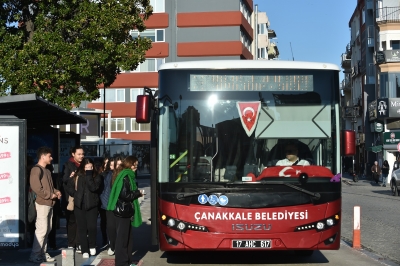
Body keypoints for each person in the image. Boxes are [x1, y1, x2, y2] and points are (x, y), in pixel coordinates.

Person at [107, 156, 143, 266]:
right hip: (123, 211)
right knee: (122, 238)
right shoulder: (125, 176)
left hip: (125, 211)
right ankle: (122, 262)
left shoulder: (125, 175)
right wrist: (138, 193)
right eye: (134, 164)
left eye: (137, 165)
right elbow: (125, 195)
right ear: (129, 164)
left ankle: (126, 260)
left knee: (127, 237)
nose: (136, 167)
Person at [29, 147, 62, 263]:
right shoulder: (36, 170)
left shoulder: (47, 170)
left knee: (47, 229)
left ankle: (42, 253)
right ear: (43, 156)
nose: (51, 158)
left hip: (49, 203)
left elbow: (50, 187)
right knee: (42, 230)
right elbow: (36, 187)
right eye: (49, 156)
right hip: (42, 203)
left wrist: (56, 191)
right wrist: (50, 195)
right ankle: (35, 254)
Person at [66, 158, 102, 259]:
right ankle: (84, 249)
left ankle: (92, 245)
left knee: (92, 227)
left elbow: (93, 188)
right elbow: (69, 187)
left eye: (90, 167)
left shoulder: (97, 176)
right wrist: (76, 194)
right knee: (82, 228)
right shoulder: (77, 176)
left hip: (92, 205)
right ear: (82, 167)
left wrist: (89, 175)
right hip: (79, 205)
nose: (88, 169)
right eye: (86, 167)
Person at [61, 146, 84, 252]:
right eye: (79, 154)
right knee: (71, 221)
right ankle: (71, 243)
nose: (81, 156)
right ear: (73, 154)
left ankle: (79, 243)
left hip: (82, 197)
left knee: (81, 221)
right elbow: (64, 180)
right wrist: (71, 177)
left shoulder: (85, 165)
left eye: (82, 154)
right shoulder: (68, 165)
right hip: (70, 197)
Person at [100, 156, 124, 256]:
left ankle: (118, 246)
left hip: (121, 205)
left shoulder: (124, 175)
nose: (118, 166)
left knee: (120, 227)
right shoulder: (107, 175)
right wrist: (105, 203)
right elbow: (104, 191)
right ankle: (113, 245)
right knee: (111, 227)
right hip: (109, 205)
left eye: (120, 164)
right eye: (116, 164)